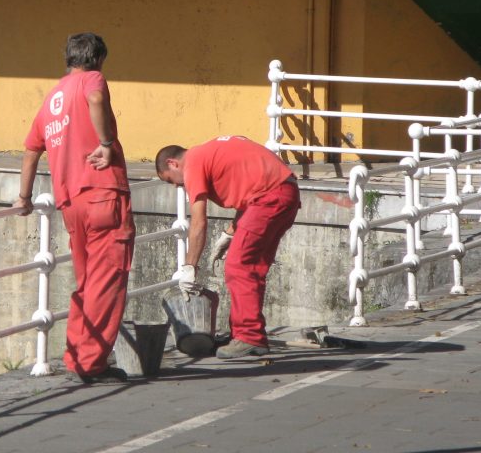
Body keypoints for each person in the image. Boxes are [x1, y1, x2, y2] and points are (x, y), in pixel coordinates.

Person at [15, 32, 134, 384]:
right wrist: (106, 143)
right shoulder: (91, 79)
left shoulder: (53, 96)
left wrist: (24, 198)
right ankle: (91, 363)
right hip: (103, 194)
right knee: (107, 281)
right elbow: (96, 96)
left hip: (71, 203)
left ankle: (76, 355)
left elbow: (30, 151)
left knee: (87, 283)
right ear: (97, 59)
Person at [155, 136, 300, 359]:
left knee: (238, 266)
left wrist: (189, 268)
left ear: (172, 163)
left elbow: (198, 221)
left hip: (270, 198)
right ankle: (247, 335)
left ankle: (249, 336)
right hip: (283, 193)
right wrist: (229, 233)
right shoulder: (208, 153)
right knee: (252, 268)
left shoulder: (192, 162)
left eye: (170, 180)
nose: (176, 186)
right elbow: (251, 188)